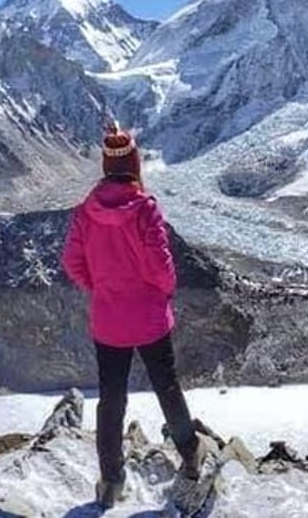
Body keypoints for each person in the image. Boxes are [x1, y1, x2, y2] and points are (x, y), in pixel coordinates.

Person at [61, 122, 200, 508]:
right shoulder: (144, 209)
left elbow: (72, 261)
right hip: (150, 316)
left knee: (111, 399)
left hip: (108, 319)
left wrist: (100, 287)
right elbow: (160, 263)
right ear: (135, 164)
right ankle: (191, 456)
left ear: (106, 166)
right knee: (166, 387)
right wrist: (163, 291)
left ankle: (110, 482)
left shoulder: (85, 211)